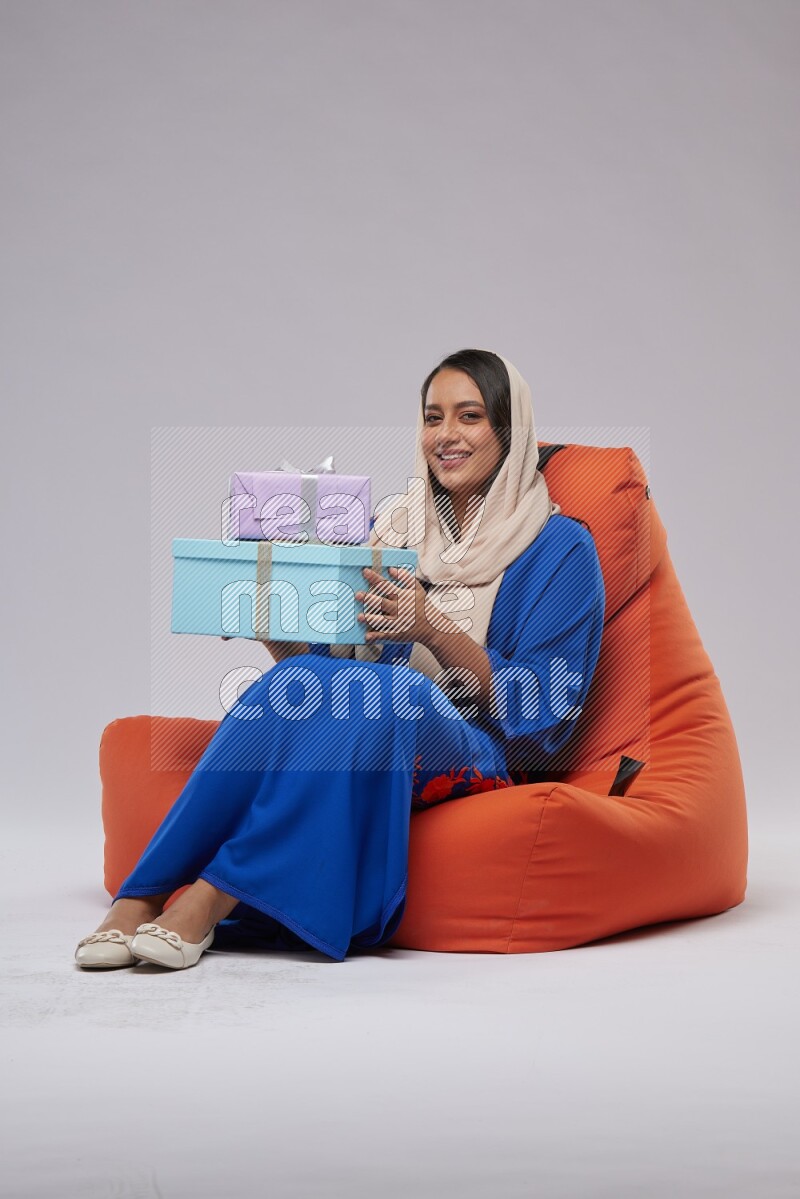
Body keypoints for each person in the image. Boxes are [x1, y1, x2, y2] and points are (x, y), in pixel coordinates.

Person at [74, 349, 605, 971]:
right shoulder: (396, 530)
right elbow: (325, 670)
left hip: (480, 751)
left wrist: (431, 629)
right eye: (433, 418)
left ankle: (211, 896)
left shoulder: (563, 547)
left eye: (470, 416)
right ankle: (138, 897)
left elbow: (548, 707)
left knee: (385, 692)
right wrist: (273, 627)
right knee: (317, 684)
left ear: (509, 434)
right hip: (375, 725)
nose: (447, 435)